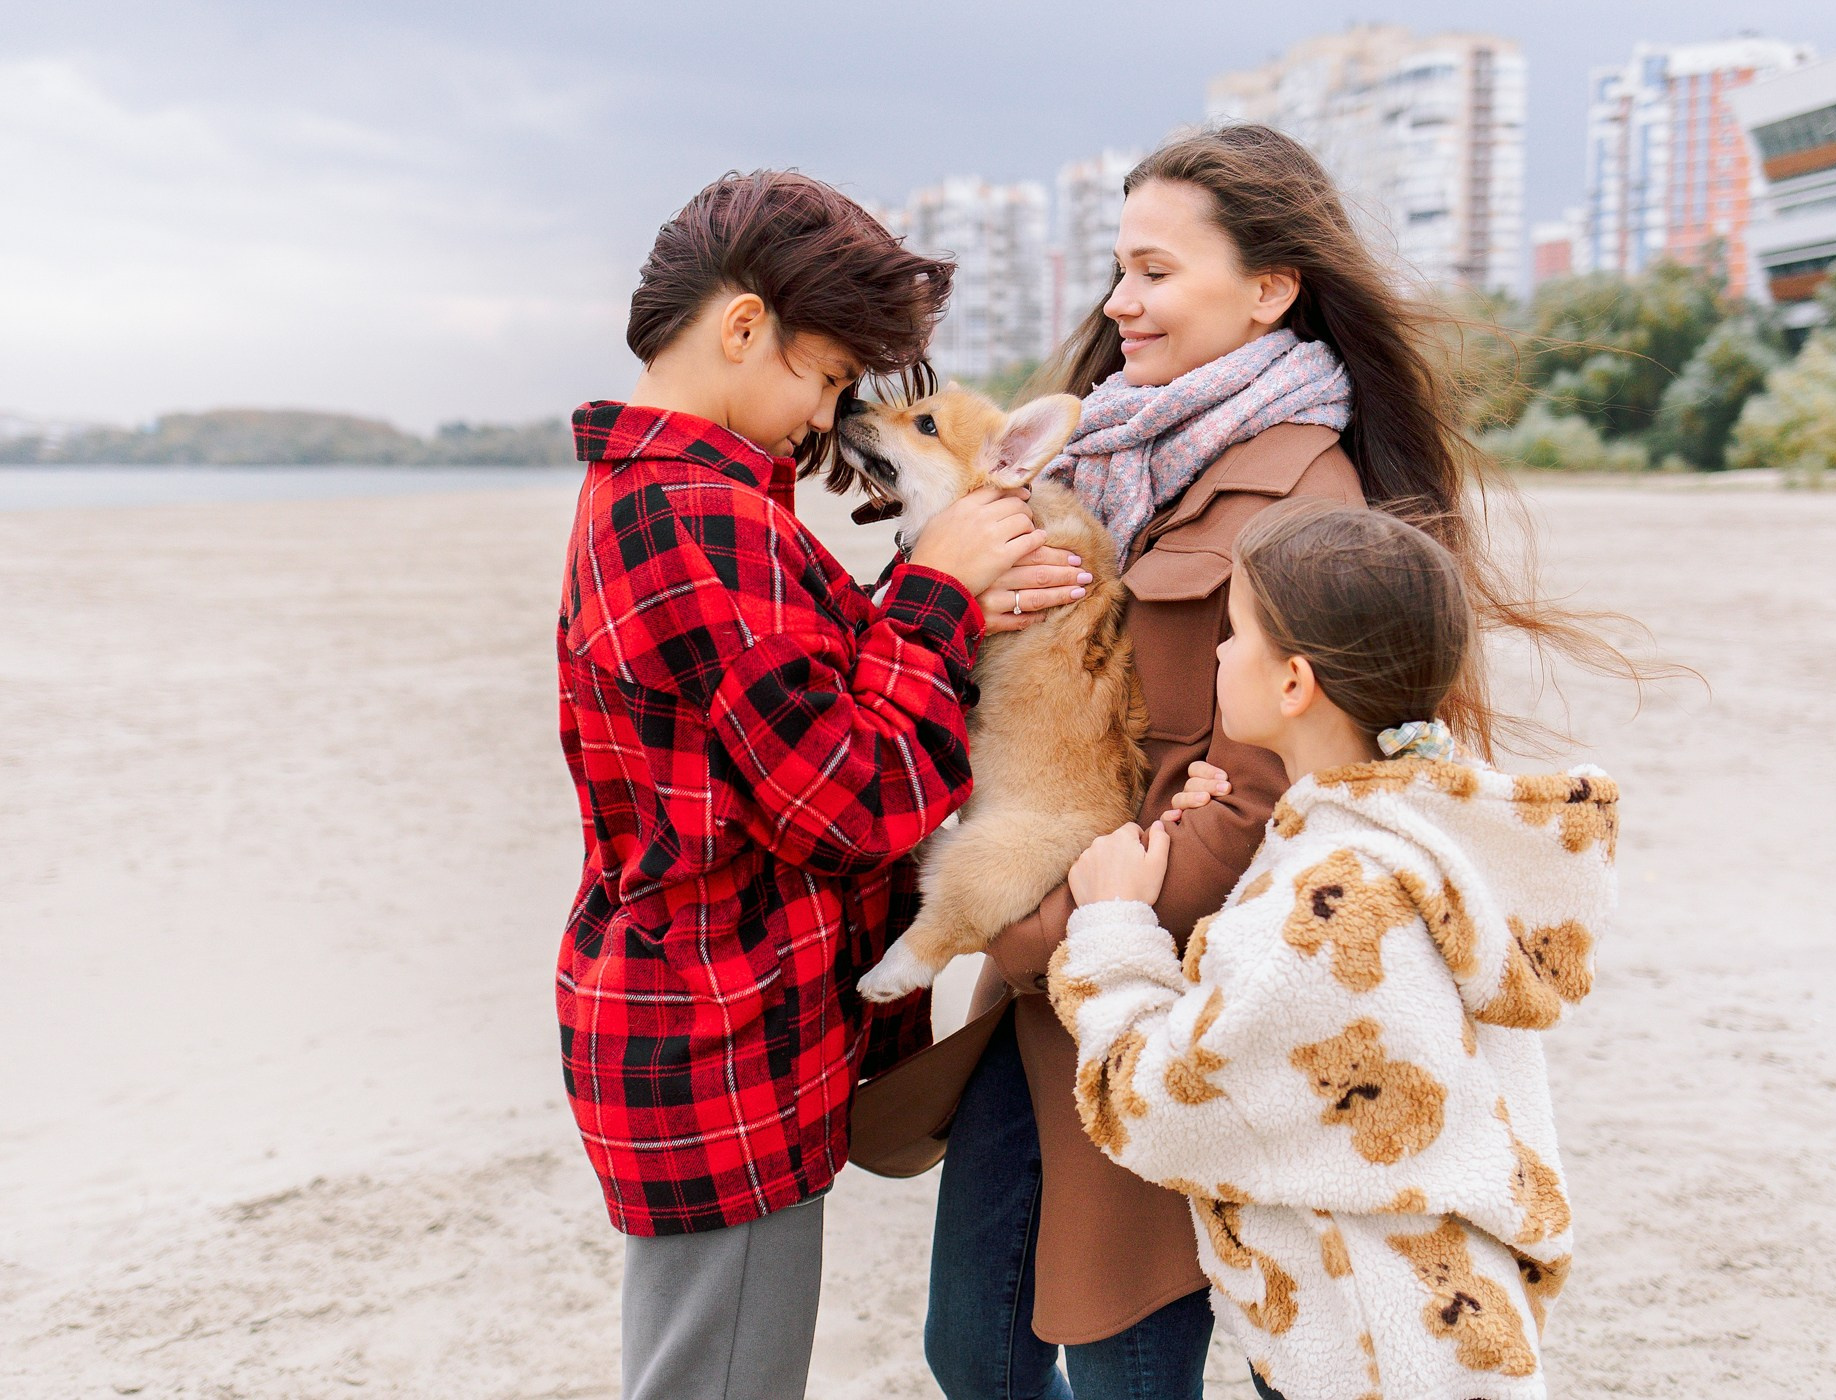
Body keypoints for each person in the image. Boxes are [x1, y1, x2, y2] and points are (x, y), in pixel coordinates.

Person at [921, 123, 1634, 1400]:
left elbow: (1260, 802)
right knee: (974, 1348)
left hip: (1175, 997)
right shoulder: (1115, 451)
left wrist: (1037, 928)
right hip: (1065, 965)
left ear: (1269, 289)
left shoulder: (1302, 497)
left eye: (1154, 271)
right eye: (1119, 268)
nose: (1118, 302)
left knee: (1120, 1366)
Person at [555, 170, 1081, 1400]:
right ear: (746, 327)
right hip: (721, 1030)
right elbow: (854, 799)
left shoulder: (689, 499)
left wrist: (943, 604)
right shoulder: (697, 515)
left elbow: (809, 695)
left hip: (704, 1014)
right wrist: (938, 592)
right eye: (832, 377)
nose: (828, 416)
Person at [1051, 501, 1618, 1400]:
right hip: (1448, 1324)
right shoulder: (1423, 834)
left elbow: (1153, 1108)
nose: (1217, 653)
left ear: (1293, 684)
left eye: (1235, 633)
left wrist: (1113, 928)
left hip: (1371, 1345)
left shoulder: (1329, 902)